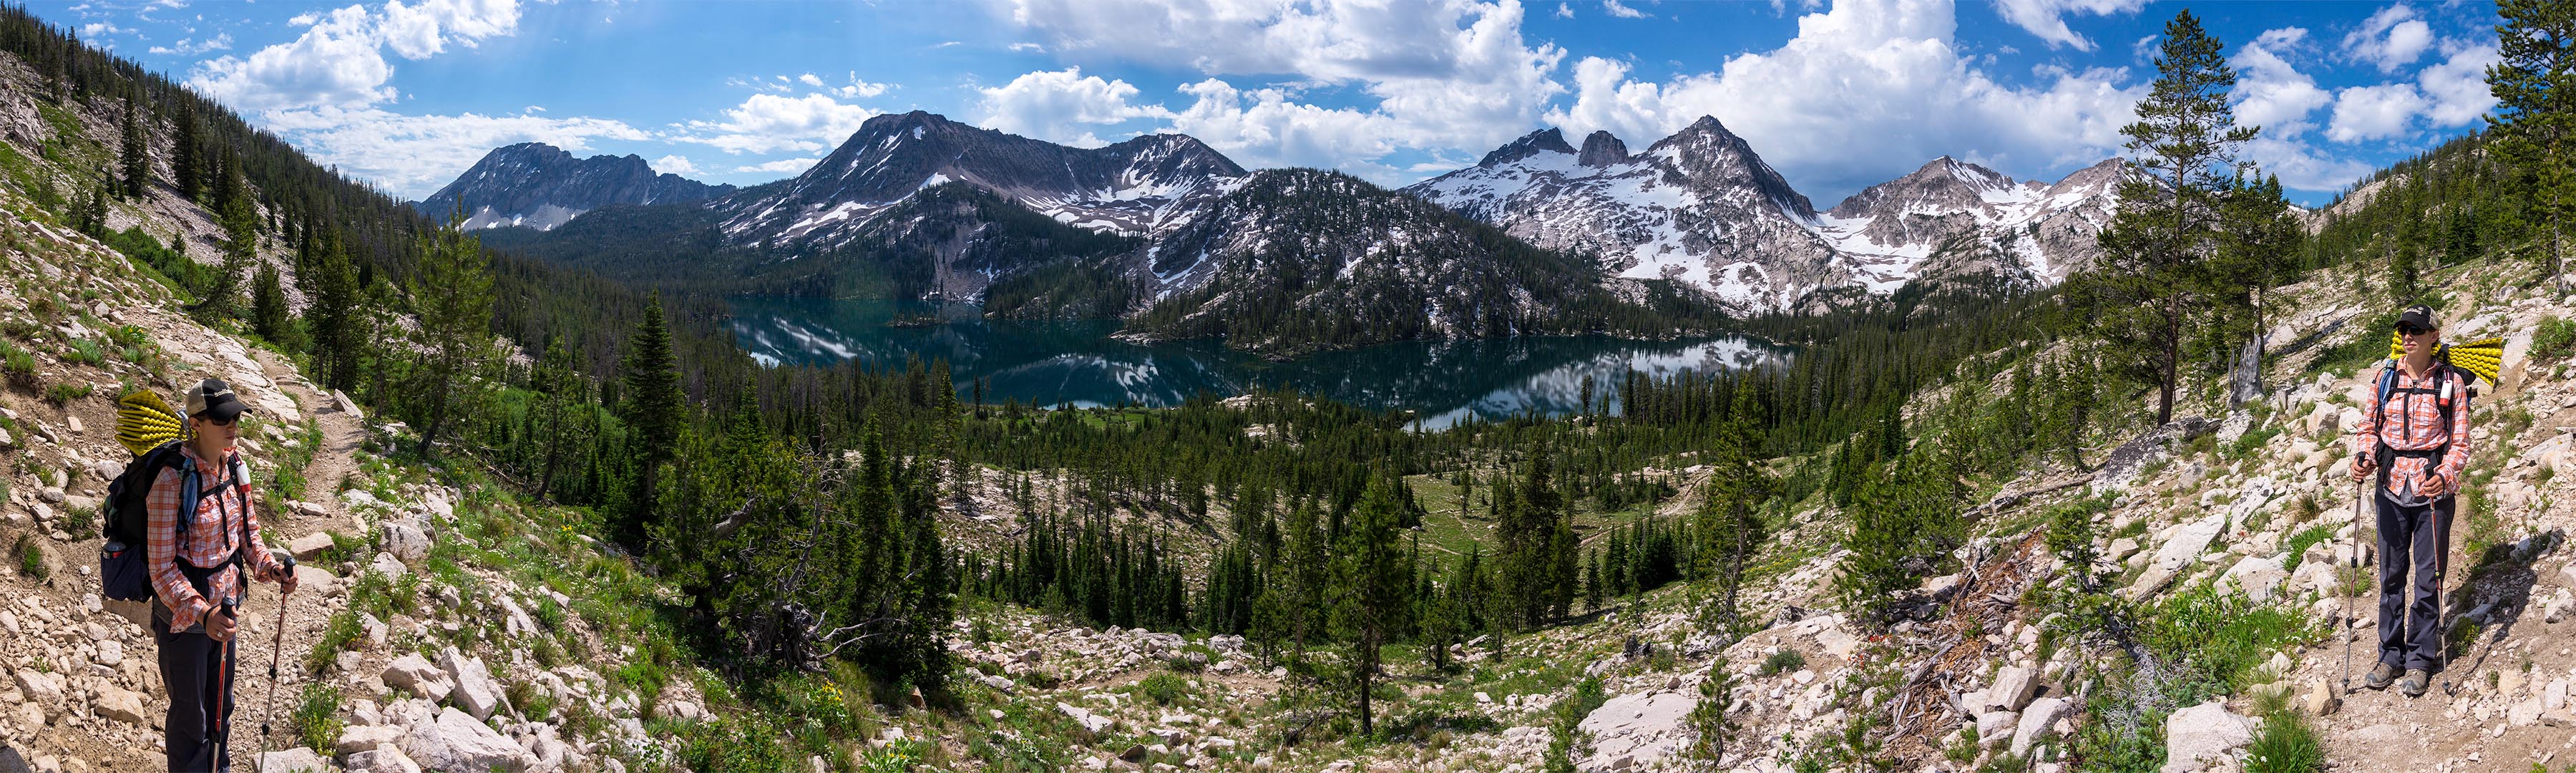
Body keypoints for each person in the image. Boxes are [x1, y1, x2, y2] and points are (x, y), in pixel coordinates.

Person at [149, 378, 296, 772]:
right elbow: (161, 570)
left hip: (225, 612)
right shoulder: (171, 481)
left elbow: (248, 537)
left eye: (235, 417)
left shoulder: (234, 464)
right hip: (185, 620)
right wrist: (203, 613)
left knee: (221, 705)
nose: (232, 426)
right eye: (221, 419)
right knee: (190, 716)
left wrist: (270, 567)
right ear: (196, 423)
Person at [2349, 304, 2468, 698]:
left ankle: (2419, 660)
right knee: (2390, 577)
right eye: (2403, 329)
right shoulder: (2384, 377)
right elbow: (2370, 426)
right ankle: (2390, 655)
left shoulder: (2451, 382)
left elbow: (2461, 443)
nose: (2408, 336)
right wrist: (2364, 455)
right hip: (2391, 487)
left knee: (2428, 579)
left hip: (2432, 492)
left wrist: (2446, 476)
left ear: (2434, 336)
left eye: (2416, 330)